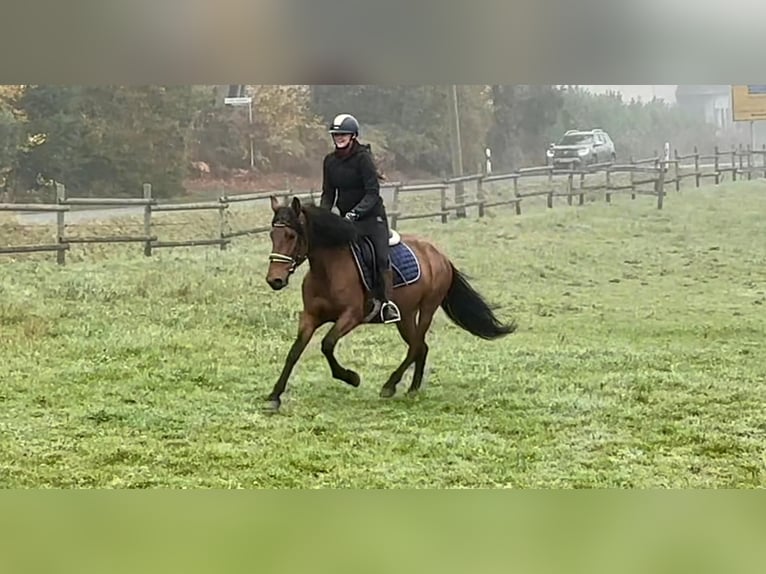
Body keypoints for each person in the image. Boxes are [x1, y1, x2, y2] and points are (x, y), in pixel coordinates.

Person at [320, 113, 401, 324]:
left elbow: (372, 193)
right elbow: (328, 193)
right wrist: (323, 215)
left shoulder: (363, 158)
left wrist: (355, 213)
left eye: (343, 134)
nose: (339, 138)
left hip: (372, 218)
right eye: (336, 135)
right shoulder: (329, 161)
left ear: (353, 136)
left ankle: (386, 303)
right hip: (346, 221)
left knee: (381, 256)